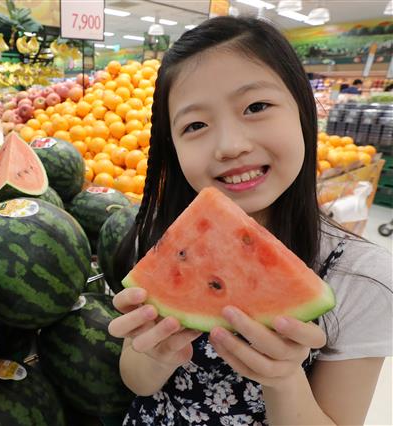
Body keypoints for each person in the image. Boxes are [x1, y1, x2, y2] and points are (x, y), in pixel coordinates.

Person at [108, 16, 392, 425]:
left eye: (256, 107)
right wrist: (152, 354)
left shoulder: (363, 278)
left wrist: (283, 377)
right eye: (196, 125)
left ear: (304, 111)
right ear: (172, 146)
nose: (230, 146)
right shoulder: (164, 240)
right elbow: (137, 382)